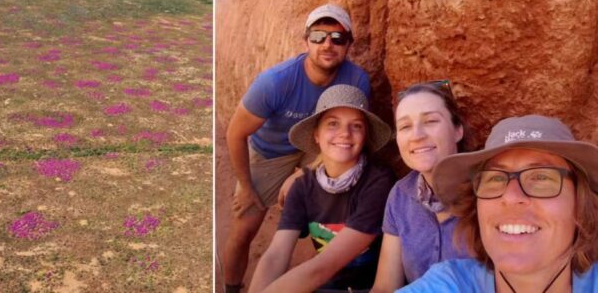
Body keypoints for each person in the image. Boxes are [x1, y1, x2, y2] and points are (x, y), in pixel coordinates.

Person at [223, 4, 371, 293]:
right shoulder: (275, 82)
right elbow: (235, 134)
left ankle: (337, 273)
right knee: (244, 227)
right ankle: (231, 288)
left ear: (349, 44)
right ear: (306, 41)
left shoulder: (356, 80)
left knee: (339, 195)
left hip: (318, 148)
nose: (327, 44)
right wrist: (247, 186)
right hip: (270, 151)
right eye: (318, 36)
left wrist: (303, 173)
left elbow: (352, 134)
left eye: (337, 38)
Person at [400, 115, 598, 292]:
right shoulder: (449, 284)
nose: (510, 196)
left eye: (540, 177)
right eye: (495, 178)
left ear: (580, 204)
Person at [250, 84, 395, 292]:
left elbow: (322, 267)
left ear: (365, 137)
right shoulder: (302, 187)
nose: (344, 133)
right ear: (316, 135)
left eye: (356, 126)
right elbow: (276, 255)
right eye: (333, 124)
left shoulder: (378, 183)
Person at [369, 81, 474, 292]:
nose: (417, 135)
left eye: (431, 121)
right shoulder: (400, 195)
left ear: (458, 130)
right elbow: (385, 287)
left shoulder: (488, 195)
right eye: (405, 126)